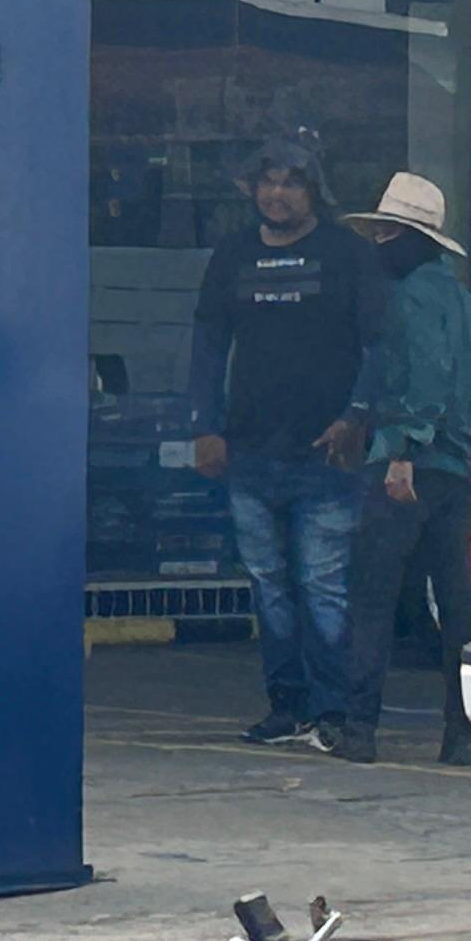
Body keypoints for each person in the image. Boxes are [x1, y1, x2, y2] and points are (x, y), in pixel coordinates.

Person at [186, 132, 386, 750]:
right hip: (249, 451)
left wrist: (356, 417)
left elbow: (379, 346)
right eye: (268, 182)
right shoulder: (233, 255)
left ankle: (333, 713)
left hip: (326, 455)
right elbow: (209, 342)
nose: (277, 194)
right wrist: (205, 425)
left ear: (314, 190)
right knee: (268, 585)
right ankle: (287, 708)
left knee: (323, 586)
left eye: (291, 182)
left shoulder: (347, 254)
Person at [331, 172, 471, 766]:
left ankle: (359, 729)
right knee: (457, 607)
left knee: (373, 598)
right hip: (458, 469)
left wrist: (402, 449)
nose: (378, 243)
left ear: (408, 239)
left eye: (386, 232)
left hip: (408, 466)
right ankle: (463, 732)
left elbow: (422, 380)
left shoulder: (409, 301)